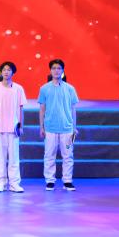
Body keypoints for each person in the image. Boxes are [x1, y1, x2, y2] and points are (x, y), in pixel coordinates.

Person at [38, 59, 79, 191]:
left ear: (63, 70)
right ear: (50, 70)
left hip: (67, 128)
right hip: (50, 128)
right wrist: (41, 127)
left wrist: (74, 127)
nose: (56, 71)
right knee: (49, 155)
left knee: (68, 156)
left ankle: (67, 181)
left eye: (59, 68)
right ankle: (50, 181)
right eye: (54, 68)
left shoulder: (70, 88)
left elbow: (73, 109)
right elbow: (42, 109)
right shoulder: (44, 88)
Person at [0, 61, 27, 193]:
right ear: (1, 72)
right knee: (1, 157)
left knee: (14, 157)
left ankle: (14, 184)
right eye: (4, 70)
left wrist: (21, 126)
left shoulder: (18, 88)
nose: (6, 72)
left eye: (9, 70)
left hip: (13, 128)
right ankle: (1, 183)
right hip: (0, 127)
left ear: (13, 72)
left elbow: (21, 108)